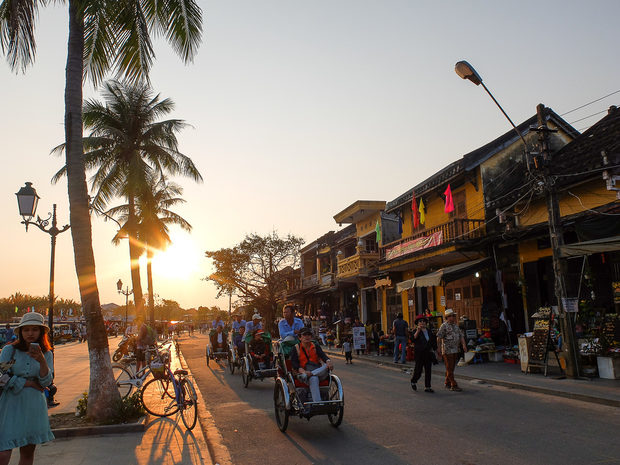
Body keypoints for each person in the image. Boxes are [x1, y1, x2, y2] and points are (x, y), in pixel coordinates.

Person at [0, 312, 55, 465]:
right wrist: (27, 383)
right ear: (21, 332)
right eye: (26, 330)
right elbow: (0, 376)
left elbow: (45, 382)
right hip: (10, 405)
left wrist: (42, 361)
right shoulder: (10, 351)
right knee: (3, 452)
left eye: (35, 329)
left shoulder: (46, 353)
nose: (30, 333)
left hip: (33, 405)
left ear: (41, 332)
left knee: (27, 452)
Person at [290, 327, 334, 404]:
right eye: (304, 335)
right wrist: (303, 371)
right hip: (303, 374)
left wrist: (328, 361)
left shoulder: (315, 346)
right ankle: (318, 403)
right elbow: (294, 364)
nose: (307, 337)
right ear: (300, 337)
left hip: (318, 371)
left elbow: (323, 356)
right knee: (313, 378)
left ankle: (312, 373)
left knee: (326, 366)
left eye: (309, 335)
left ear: (311, 336)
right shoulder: (295, 348)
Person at [437, 309, 468, 392]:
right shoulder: (444, 326)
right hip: (447, 351)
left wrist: (464, 345)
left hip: (455, 349)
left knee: (451, 368)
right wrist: (439, 348)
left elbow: (461, 336)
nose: (453, 317)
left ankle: (447, 382)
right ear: (447, 317)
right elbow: (439, 337)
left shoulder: (455, 326)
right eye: (451, 316)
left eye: (454, 316)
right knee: (449, 368)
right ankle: (453, 385)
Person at [410, 315, 438, 393]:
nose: (422, 323)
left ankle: (427, 386)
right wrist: (418, 331)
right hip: (419, 354)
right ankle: (413, 381)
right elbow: (413, 339)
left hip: (428, 353)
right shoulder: (415, 331)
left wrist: (436, 351)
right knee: (418, 370)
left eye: (424, 321)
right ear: (417, 323)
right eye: (420, 321)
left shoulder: (429, 331)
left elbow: (433, 342)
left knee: (428, 370)